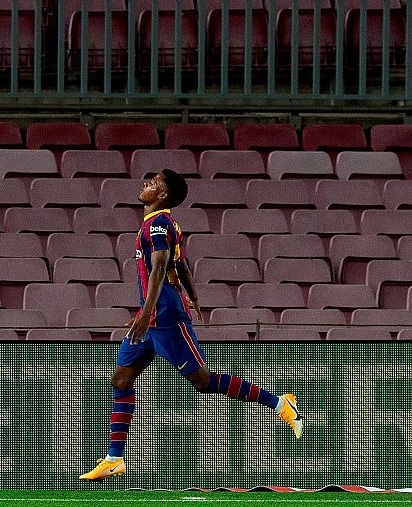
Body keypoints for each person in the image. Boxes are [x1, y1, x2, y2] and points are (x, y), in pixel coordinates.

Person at [79, 169, 304, 482]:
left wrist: (147, 312)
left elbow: (160, 266)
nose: (147, 184)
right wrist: (195, 297)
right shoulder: (159, 224)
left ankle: (280, 403)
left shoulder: (159, 223)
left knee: (201, 380)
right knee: (121, 378)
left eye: (154, 182)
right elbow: (179, 264)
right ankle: (115, 459)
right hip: (151, 315)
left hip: (165, 315)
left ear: (163, 196)